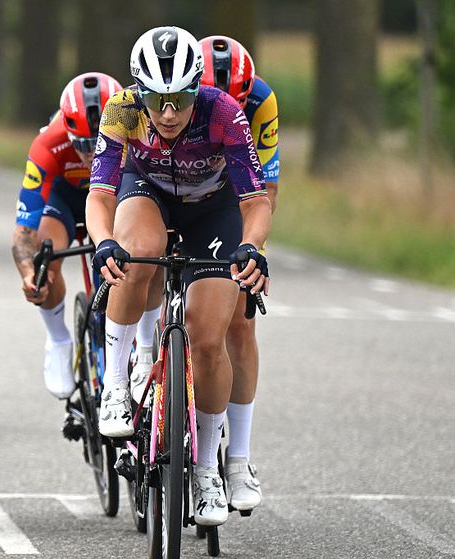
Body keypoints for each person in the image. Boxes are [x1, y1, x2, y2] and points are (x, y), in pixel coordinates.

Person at [85, 26, 270, 526]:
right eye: (156, 100)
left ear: (197, 89)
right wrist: (104, 241)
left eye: (181, 100)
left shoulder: (223, 112)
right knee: (136, 252)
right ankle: (116, 385)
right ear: (138, 91)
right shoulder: (121, 110)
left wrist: (251, 246)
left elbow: (256, 200)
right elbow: (100, 194)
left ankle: (208, 468)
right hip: (148, 193)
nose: (168, 113)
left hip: (213, 209)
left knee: (209, 340)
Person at [199, 34, 279, 514]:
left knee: (240, 322)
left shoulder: (262, 99)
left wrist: (254, 250)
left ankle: (239, 459)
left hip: (235, 195)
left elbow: (266, 187)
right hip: (180, 189)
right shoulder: (175, 100)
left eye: (237, 101)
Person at [11, 72, 122, 399]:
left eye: (99, 143)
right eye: (83, 145)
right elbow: (24, 230)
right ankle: (58, 339)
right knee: (44, 257)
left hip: (111, 196)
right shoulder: (48, 143)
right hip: (65, 200)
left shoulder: (135, 129)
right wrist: (30, 273)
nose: (91, 154)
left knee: (126, 257)